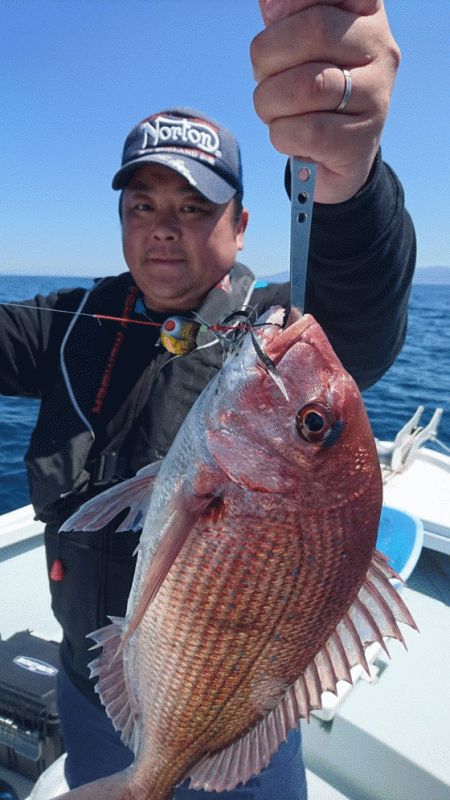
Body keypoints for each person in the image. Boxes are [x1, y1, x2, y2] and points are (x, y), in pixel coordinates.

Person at [0, 1, 415, 797]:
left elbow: (360, 312)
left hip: (236, 714)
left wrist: (352, 178)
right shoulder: (72, 322)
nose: (165, 229)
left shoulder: (281, 336)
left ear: (243, 223)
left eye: (195, 208)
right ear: (121, 221)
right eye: (144, 207)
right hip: (90, 693)